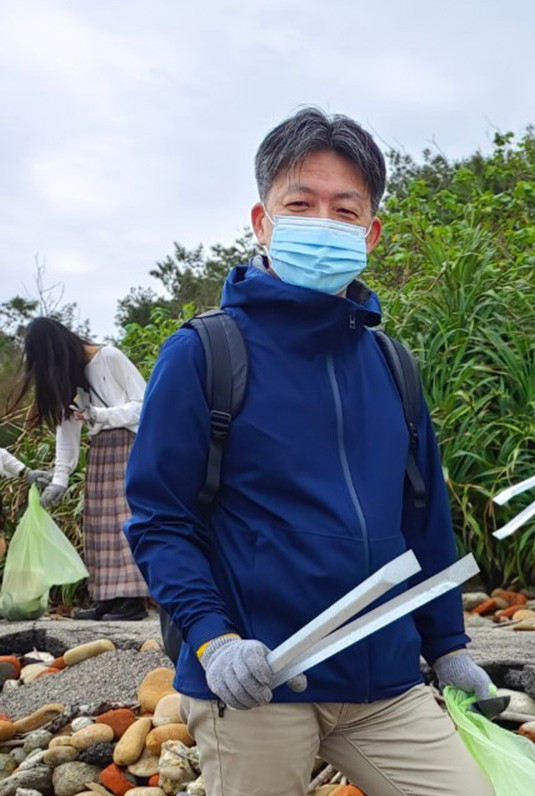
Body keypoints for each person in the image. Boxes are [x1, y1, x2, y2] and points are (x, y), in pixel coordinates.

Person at [124, 108, 493, 796]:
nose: (323, 221)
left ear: (371, 232)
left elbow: (425, 519)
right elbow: (160, 519)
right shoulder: (205, 354)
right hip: (258, 683)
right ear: (262, 222)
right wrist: (214, 641)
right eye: (301, 203)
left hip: (383, 681)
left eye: (344, 208)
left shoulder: (393, 366)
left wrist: (448, 647)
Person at [10, 318, 149, 621]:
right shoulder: (72, 375)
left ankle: (132, 601)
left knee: (123, 521)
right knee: (98, 524)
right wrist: (59, 480)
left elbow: (146, 404)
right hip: (101, 451)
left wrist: (100, 414)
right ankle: (107, 597)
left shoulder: (108, 356)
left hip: (130, 445)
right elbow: (67, 431)